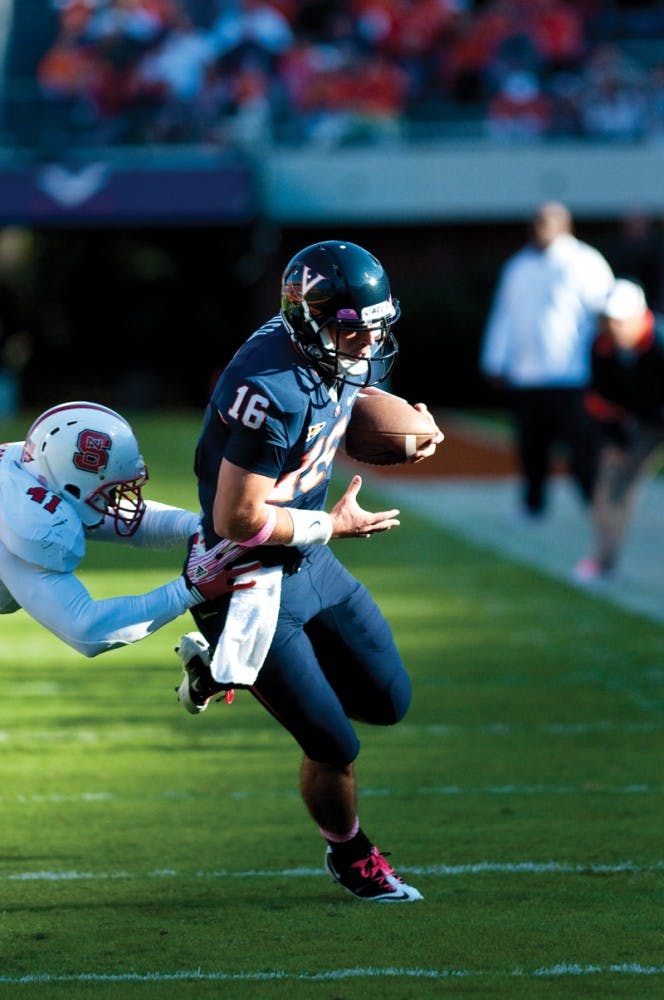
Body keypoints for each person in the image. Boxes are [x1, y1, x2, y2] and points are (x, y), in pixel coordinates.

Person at [174, 240, 443, 903]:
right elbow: (236, 517)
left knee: (389, 700)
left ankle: (215, 668)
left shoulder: (338, 346)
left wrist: (410, 427)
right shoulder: (267, 386)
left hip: (309, 559)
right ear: (306, 318)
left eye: (372, 327)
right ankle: (352, 857)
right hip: (244, 579)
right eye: (350, 329)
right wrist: (333, 525)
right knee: (333, 743)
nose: (363, 343)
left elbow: (356, 400)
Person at [0, 401, 257, 656]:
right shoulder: (26, 521)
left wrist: (204, 528)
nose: (114, 500)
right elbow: (87, 630)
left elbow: (129, 520)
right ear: (70, 484)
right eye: (109, 491)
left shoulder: (34, 470)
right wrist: (188, 591)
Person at [480, 201, 615, 518]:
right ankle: (533, 503)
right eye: (538, 222)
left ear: (564, 225)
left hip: (572, 373)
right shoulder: (518, 267)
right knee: (531, 446)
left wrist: (605, 363)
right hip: (528, 374)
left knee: (581, 444)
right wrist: (495, 360)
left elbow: (604, 316)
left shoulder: (585, 262)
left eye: (548, 222)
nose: (541, 228)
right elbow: (505, 316)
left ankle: (595, 503)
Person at [573, 279, 664, 584]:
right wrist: (615, 440)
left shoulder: (660, 344)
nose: (613, 328)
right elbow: (602, 399)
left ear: (640, 317)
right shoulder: (602, 347)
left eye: (619, 321)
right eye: (608, 320)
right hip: (642, 424)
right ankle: (603, 560)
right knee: (610, 485)